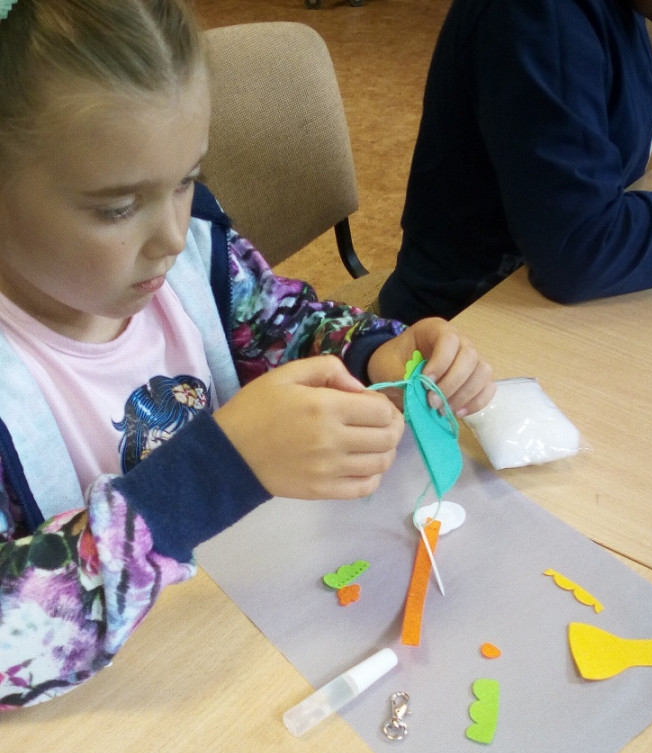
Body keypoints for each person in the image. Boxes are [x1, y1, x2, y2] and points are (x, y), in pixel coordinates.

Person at [0, 0, 495, 710]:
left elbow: (283, 324)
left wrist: (374, 354)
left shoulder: (196, 258)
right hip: (123, 709)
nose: (172, 235)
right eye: (117, 208)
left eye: (185, 180)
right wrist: (218, 473)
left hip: (247, 636)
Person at [378, 0, 652, 325]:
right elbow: (581, 247)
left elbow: (624, 78)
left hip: (528, 292)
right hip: (464, 317)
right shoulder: (537, 14)